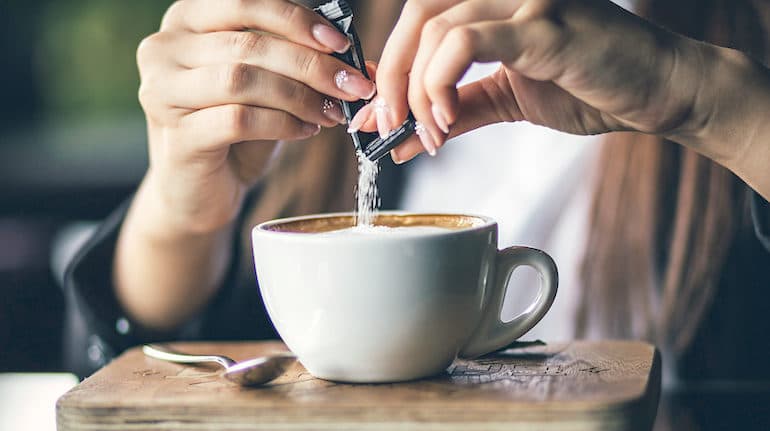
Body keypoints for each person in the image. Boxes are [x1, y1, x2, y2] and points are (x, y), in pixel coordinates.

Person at [65, 0, 770, 382]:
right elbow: (121, 381)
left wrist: (712, 104)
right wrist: (181, 215)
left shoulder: (734, 42)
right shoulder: (333, 40)